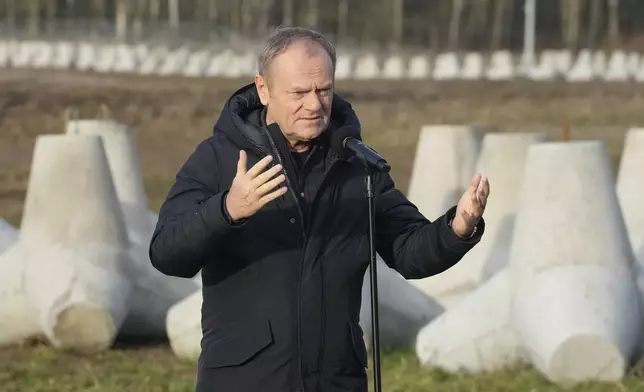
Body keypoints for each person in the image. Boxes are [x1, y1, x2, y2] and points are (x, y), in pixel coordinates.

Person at [149, 26, 490, 392]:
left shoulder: (357, 164)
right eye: (298, 92)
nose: (314, 105)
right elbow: (167, 254)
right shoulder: (220, 158)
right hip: (244, 380)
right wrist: (228, 209)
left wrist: (458, 227)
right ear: (263, 89)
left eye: (323, 90)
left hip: (337, 380)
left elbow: (410, 251)